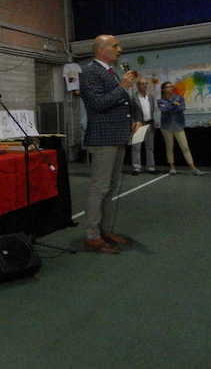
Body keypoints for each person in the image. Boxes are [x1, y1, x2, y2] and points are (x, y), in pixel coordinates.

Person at [79, 34, 137, 254]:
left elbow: (121, 103)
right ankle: (92, 236)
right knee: (99, 187)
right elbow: (98, 103)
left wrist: (132, 120)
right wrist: (122, 87)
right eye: (115, 46)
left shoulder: (111, 73)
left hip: (118, 136)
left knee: (111, 187)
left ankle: (105, 230)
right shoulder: (89, 72)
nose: (119, 49)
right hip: (103, 138)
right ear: (101, 50)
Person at [157, 82, 204, 176]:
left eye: (171, 86)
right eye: (168, 87)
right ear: (163, 89)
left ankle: (193, 167)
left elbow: (181, 107)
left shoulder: (179, 98)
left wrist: (171, 106)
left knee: (185, 146)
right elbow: (164, 110)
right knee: (169, 147)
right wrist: (174, 104)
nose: (170, 88)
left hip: (178, 125)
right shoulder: (160, 101)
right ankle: (172, 167)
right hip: (166, 127)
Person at [130, 78, 157, 175]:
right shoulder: (133, 98)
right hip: (139, 125)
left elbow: (152, 110)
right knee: (136, 148)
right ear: (137, 85)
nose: (144, 85)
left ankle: (150, 167)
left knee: (150, 147)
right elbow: (130, 113)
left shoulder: (151, 97)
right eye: (142, 84)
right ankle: (136, 167)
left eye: (145, 83)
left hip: (149, 124)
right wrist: (133, 123)